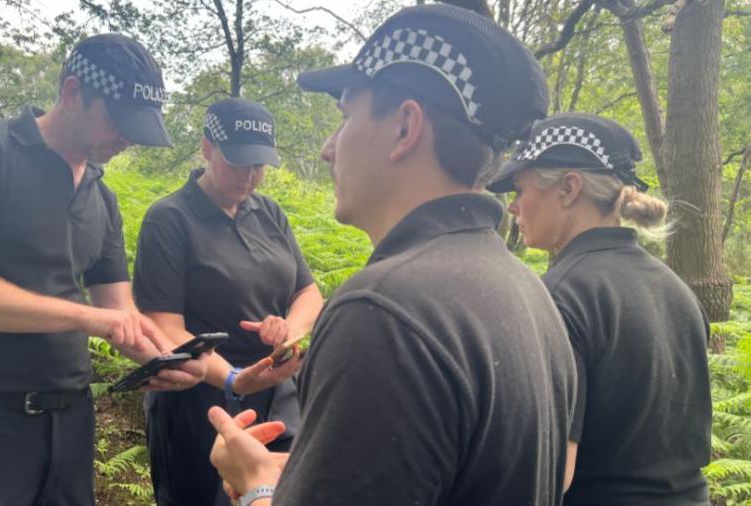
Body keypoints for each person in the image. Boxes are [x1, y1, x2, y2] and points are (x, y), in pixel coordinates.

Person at [206, 5, 577, 506]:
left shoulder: (383, 310)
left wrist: (258, 488)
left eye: (346, 116)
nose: (327, 147)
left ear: (404, 128)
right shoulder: (528, 293)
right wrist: (317, 468)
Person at [0, 34, 206, 506]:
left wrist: (170, 360)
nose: (128, 138)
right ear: (73, 93)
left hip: (70, 421)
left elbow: (119, 311)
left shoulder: (102, 197)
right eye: (119, 121)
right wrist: (87, 318)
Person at [487, 113, 713, 505]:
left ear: (569, 188)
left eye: (520, 190)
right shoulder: (676, 290)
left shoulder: (561, 295)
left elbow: (554, 473)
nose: (513, 208)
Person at [133, 97, 324, 506]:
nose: (250, 176)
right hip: (201, 399)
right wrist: (235, 378)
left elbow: (307, 292)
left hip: (276, 398)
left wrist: (291, 328)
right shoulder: (170, 218)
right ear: (206, 148)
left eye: (259, 166)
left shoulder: (269, 213)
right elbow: (164, 325)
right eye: (238, 162)